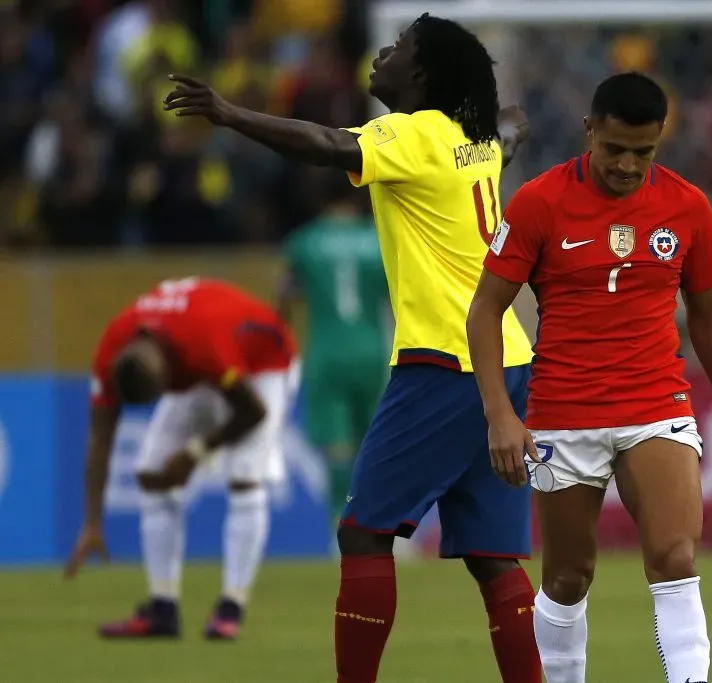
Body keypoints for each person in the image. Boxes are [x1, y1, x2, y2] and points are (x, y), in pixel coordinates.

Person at [163, 14, 542, 683]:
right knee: (492, 557)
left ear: (421, 76)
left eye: (397, 50)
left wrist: (228, 113)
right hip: (508, 355)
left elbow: (327, 143)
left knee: (363, 532)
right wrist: (507, 123)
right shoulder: (473, 138)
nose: (381, 55)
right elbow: (509, 129)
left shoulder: (416, 130)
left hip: (444, 359)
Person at [467, 73, 712, 683]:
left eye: (643, 153)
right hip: (563, 412)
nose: (628, 165)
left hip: (657, 404)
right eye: (615, 149)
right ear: (589, 131)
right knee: (568, 577)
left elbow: (707, 317)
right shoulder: (539, 203)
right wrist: (499, 413)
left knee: (676, 557)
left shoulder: (687, 206)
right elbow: (485, 309)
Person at [64, 277, 297, 640]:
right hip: (203, 365)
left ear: (169, 375)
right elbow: (100, 438)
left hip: (265, 360)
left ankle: (230, 608)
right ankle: (162, 611)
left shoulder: (204, 345)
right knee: (150, 472)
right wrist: (92, 523)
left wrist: (193, 453)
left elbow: (253, 412)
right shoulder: (111, 351)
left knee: (245, 476)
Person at [279, 179, 389, 529]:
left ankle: (340, 529)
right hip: (372, 350)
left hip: (327, 351)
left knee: (337, 449)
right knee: (373, 445)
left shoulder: (305, 241)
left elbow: (285, 295)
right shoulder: (378, 240)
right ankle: (382, 526)